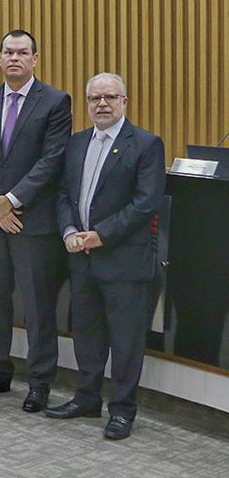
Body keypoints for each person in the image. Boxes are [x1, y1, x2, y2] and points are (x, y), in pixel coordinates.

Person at [47, 73, 165, 440]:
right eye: (94, 98)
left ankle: (122, 410)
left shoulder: (145, 144)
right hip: (81, 257)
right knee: (87, 334)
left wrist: (102, 236)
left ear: (124, 102)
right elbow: (63, 193)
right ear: (86, 103)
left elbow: (146, 203)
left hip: (124, 260)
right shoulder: (76, 143)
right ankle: (86, 398)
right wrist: (68, 231)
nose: (101, 104)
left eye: (110, 97)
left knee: (126, 341)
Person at [0, 29, 72, 411]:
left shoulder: (56, 102)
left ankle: (39, 382)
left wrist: (10, 200)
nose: (14, 58)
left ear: (35, 60)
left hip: (32, 222)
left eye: (22, 52)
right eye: (8, 51)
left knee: (38, 307)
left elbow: (52, 160)